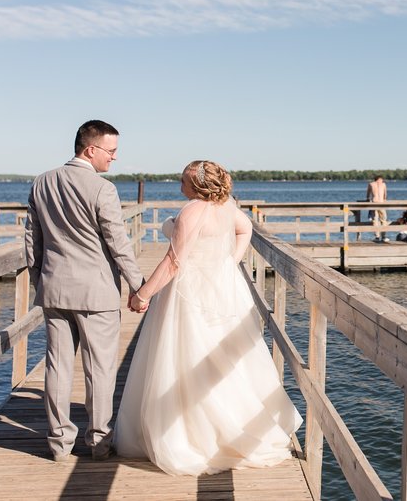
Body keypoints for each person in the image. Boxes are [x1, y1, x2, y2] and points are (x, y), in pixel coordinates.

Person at [115, 160, 302, 475]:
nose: (179, 186)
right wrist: (228, 263)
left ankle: (193, 436)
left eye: (183, 181)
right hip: (221, 289)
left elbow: (174, 262)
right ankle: (231, 428)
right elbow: (246, 229)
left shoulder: (191, 211)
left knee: (187, 358)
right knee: (223, 359)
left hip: (190, 293)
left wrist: (143, 295)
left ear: (196, 185)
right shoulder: (226, 207)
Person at [24, 120, 145, 463]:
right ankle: (99, 443)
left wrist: (40, 280)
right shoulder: (102, 189)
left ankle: (59, 444)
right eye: (111, 151)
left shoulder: (42, 182)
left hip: (54, 288)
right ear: (90, 149)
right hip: (96, 293)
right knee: (100, 369)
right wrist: (139, 286)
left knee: (58, 367)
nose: (115, 158)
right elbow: (118, 244)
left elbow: (32, 241)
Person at [366, 175, 389, 242]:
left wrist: (367, 199)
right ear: (380, 179)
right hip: (381, 204)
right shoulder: (383, 184)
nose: (382, 181)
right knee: (383, 220)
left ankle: (377, 237)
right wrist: (384, 200)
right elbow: (385, 194)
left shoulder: (371, 184)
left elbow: (368, 194)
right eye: (382, 179)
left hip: (374, 203)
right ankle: (384, 236)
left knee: (375, 220)